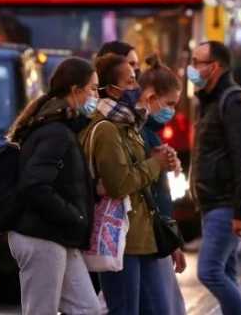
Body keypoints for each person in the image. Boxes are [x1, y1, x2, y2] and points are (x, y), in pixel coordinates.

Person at [4, 57, 101, 315]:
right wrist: (73, 215)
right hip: (42, 236)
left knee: (87, 309)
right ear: (75, 90)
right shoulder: (55, 132)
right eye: (93, 88)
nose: (96, 96)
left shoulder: (61, 128)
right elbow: (34, 185)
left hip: (58, 235)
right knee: (40, 310)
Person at [80, 53, 176, 315]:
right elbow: (119, 183)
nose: (136, 87)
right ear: (112, 89)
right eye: (131, 81)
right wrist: (156, 164)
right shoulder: (107, 129)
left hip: (140, 235)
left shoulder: (129, 124)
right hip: (121, 238)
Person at [188, 41, 241, 315]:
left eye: (197, 62)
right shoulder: (210, 101)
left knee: (209, 271)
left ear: (214, 66)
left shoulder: (234, 101)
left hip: (226, 202)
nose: (191, 69)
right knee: (226, 273)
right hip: (213, 202)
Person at [136, 55, 187, 315]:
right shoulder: (139, 132)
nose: (172, 111)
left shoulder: (151, 133)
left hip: (154, 237)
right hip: (146, 238)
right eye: (169, 104)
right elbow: (146, 189)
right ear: (151, 98)